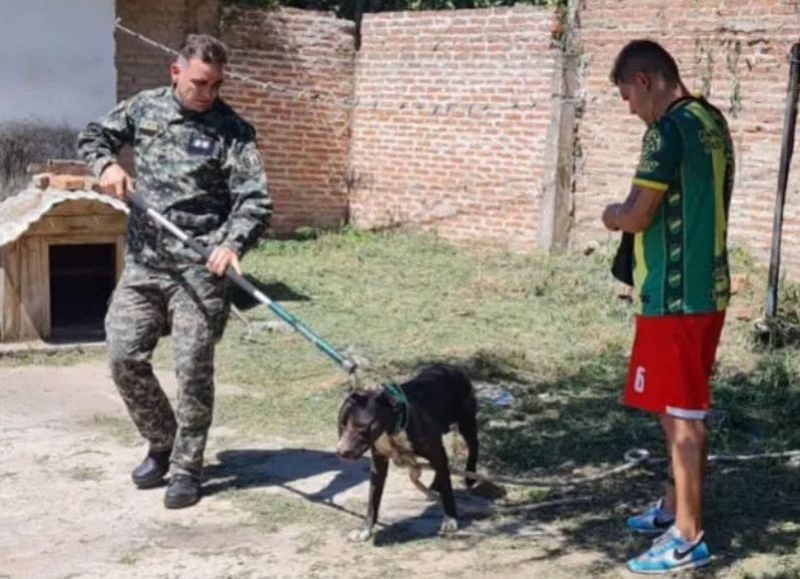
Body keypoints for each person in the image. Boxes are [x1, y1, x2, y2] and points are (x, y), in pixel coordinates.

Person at [78, 34, 271, 509]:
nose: (208, 93)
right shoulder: (144, 109)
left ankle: (187, 467)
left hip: (201, 268)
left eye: (216, 85)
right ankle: (162, 442)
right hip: (145, 262)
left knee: (192, 370)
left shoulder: (234, 132)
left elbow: (255, 200)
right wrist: (106, 165)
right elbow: (94, 135)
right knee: (124, 356)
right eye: (200, 83)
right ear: (176, 72)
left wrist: (231, 244)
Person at [602, 40, 734, 573]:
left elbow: (636, 215)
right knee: (683, 406)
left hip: (674, 296)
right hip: (707, 288)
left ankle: (686, 538)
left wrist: (611, 214)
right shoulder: (710, 119)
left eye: (627, 97)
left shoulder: (665, 132)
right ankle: (671, 506)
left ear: (644, 80)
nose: (630, 110)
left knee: (681, 417)